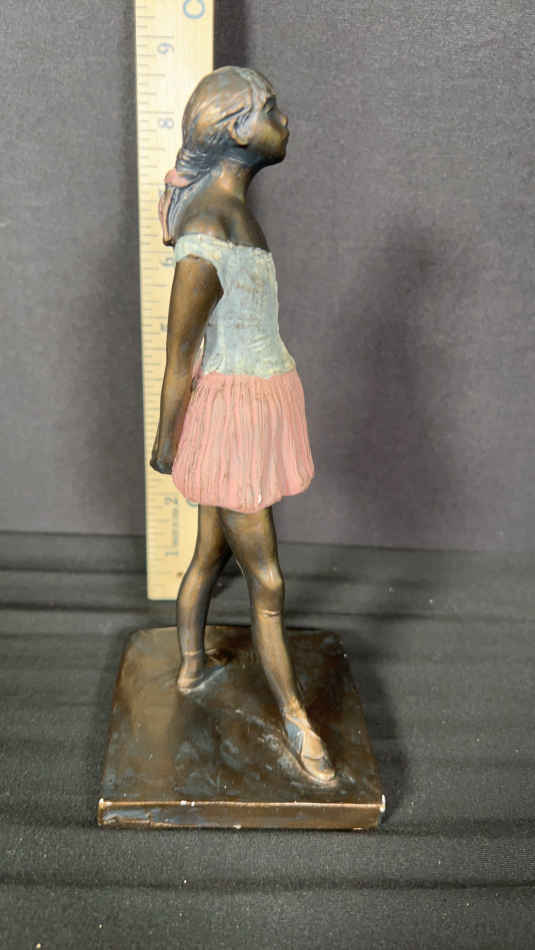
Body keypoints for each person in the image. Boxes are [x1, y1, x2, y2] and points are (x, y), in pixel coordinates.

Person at [151, 66, 335, 784]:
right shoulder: (205, 230)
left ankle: (190, 664)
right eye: (272, 108)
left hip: (256, 405)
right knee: (268, 580)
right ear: (236, 128)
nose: (285, 120)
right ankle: (296, 718)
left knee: (209, 552)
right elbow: (180, 352)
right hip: (231, 420)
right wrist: (168, 441)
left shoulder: (234, 215)